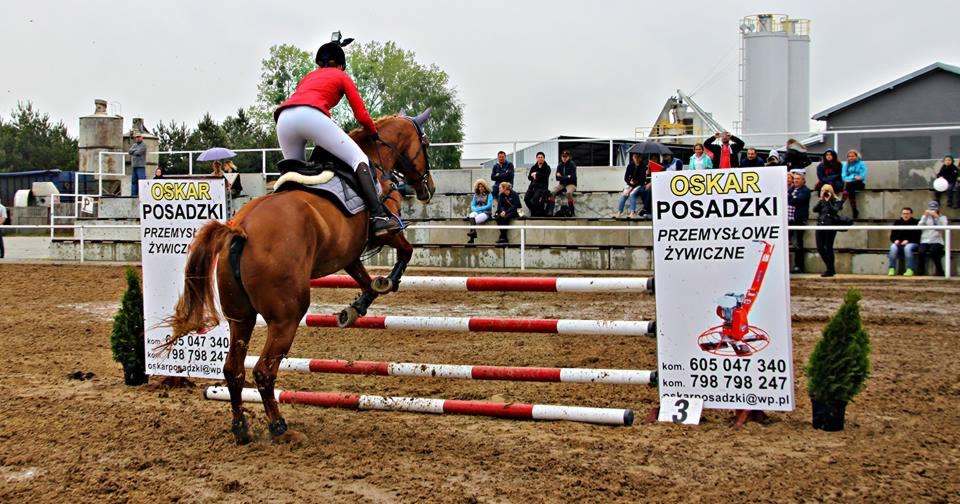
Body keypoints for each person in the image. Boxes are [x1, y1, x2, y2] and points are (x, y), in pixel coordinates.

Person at [273, 34, 398, 235]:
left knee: (295, 174)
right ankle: (378, 216)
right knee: (358, 159)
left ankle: (284, 218)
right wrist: (373, 132)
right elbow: (361, 114)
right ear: (340, 65)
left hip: (284, 119)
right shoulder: (341, 76)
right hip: (311, 115)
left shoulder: (307, 77)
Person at [813, 184, 844, 277]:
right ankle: (830, 267)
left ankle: (830, 269)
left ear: (831, 192)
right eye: (823, 191)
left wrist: (828, 202)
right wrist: (821, 200)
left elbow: (834, 211)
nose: (825, 193)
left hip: (830, 226)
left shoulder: (837, 201)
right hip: (820, 225)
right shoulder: (821, 201)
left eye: (826, 191)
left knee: (828, 247)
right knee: (820, 248)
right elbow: (814, 209)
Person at [787, 169, 811, 273]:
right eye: (795, 179)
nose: (795, 181)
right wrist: (791, 197)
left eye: (798, 179)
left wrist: (790, 198)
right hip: (788, 220)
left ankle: (799, 266)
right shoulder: (791, 189)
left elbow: (796, 201)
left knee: (798, 244)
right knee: (786, 244)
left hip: (798, 220)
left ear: (803, 180)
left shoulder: (805, 190)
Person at [917, 200, 948, 276]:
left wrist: (937, 217)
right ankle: (921, 271)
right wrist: (924, 216)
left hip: (937, 241)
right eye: (931, 209)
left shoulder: (943, 217)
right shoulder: (925, 217)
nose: (932, 211)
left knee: (933, 251)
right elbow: (919, 227)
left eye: (934, 209)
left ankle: (940, 271)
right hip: (925, 240)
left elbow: (943, 228)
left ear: (937, 209)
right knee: (921, 251)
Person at [887, 207, 920, 276]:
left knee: (907, 248)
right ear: (901, 214)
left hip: (912, 243)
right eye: (904, 213)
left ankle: (910, 269)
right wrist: (895, 240)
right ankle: (892, 268)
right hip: (899, 244)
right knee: (893, 247)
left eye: (907, 214)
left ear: (911, 214)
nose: (905, 215)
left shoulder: (916, 222)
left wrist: (908, 241)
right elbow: (892, 236)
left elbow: (917, 236)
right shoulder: (897, 222)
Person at [614, 153, 646, 218]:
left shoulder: (642, 166)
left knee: (632, 194)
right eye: (635, 157)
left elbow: (642, 179)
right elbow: (626, 177)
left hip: (639, 185)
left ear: (640, 158)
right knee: (624, 195)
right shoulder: (630, 165)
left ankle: (632, 212)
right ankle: (619, 212)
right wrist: (630, 184)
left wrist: (637, 166)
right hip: (631, 184)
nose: (636, 158)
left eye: (638, 157)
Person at [841, 149, 868, 219]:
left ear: (856, 156)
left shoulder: (861, 164)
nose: (851, 158)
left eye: (853, 156)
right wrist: (853, 176)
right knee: (850, 187)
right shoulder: (845, 164)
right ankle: (854, 210)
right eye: (849, 156)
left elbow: (862, 176)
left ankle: (841, 203)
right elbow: (844, 177)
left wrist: (850, 177)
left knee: (849, 185)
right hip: (850, 184)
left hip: (859, 184)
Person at [549, 150, 577, 216]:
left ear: (569, 157)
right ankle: (550, 211)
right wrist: (567, 176)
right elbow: (557, 178)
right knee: (552, 192)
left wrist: (562, 176)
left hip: (571, 184)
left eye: (566, 157)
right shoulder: (560, 165)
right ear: (561, 157)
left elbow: (572, 177)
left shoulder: (572, 164)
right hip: (562, 184)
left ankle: (572, 211)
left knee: (569, 193)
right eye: (563, 156)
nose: (564, 158)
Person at [523, 152, 551, 217]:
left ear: (544, 158)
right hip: (532, 186)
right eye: (538, 157)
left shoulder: (547, 167)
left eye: (541, 157)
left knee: (536, 198)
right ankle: (534, 211)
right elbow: (529, 177)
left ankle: (536, 214)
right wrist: (533, 176)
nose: (540, 159)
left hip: (542, 187)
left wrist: (537, 174)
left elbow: (546, 176)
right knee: (526, 199)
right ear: (536, 158)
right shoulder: (534, 167)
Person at [466, 179, 493, 244]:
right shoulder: (476, 195)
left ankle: (472, 237)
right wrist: (476, 209)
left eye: (482, 186)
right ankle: (473, 234)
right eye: (479, 186)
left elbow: (489, 206)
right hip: (478, 211)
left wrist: (480, 208)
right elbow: (472, 206)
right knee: (471, 215)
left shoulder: (489, 194)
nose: (481, 188)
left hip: (486, 212)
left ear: (485, 187)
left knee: (475, 219)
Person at [128, 133, 147, 197]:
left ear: (142, 138)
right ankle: (133, 195)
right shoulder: (134, 145)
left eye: (139, 137)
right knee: (134, 181)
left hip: (141, 166)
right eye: (137, 137)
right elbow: (129, 151)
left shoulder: (144, 145)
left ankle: (143, 195)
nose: (138, 138)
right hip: (134, 166)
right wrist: (134, 151)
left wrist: (133, 151)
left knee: (142, 181)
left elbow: (139, 152)